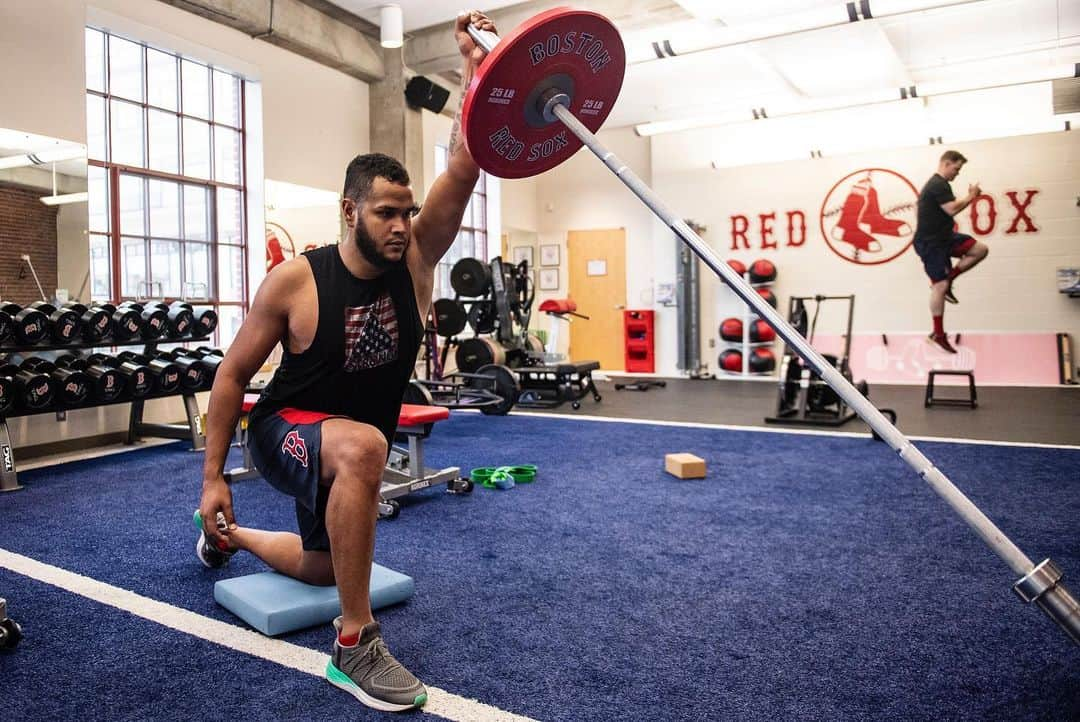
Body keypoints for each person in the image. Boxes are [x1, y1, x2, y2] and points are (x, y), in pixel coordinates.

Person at [194, 10, 496, 713]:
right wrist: (213, 477)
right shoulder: (296, 280)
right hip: (282, 435)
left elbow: (467, 160)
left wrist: (475, 72)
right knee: (364, 446)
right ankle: (354, 645)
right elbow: (232, 375)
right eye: (387, 212)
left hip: (341, 454)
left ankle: (224, 543)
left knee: (321, 568)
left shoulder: (418, 262)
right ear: (349, 210)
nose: (401, 225)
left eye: (407, 211)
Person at [912, 150, 989, 354]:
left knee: (980, 250)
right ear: (946, 163)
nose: (958, 173)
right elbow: (952, 209)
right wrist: (972, 196)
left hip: (945, 238)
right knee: (939, 286)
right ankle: (938, 335)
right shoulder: (937, 184)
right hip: (931, 243)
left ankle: (949, 280)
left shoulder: (942, 185)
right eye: (956, 168)